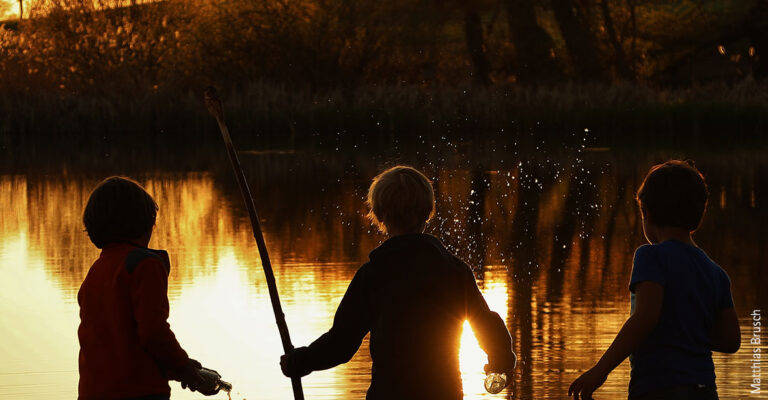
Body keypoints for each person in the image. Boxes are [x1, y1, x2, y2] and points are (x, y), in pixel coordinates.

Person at [280, 165, 517, 399]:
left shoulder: (373, 275)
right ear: (427, 212)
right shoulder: (455, 271)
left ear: (381, 215)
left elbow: (342, 342)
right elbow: (486, 323)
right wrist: (501, 360)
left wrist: (300, 361)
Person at [568, 160, 741, 400]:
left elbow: (645, 318)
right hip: (704, 390)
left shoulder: (651, 256)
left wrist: (601, 370)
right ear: (698, 215)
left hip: (659, 388)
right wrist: (688, 329)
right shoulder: (716, 273)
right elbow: (731, 341)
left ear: (646, 213)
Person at [78, 176, 219, 400]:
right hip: (139, 393)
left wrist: (178, 366)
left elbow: (121, 343)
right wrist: (184, 368)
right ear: (144, 223)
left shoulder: (97, 271)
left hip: (93, 392)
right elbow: (153, 333)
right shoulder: (144, 265)